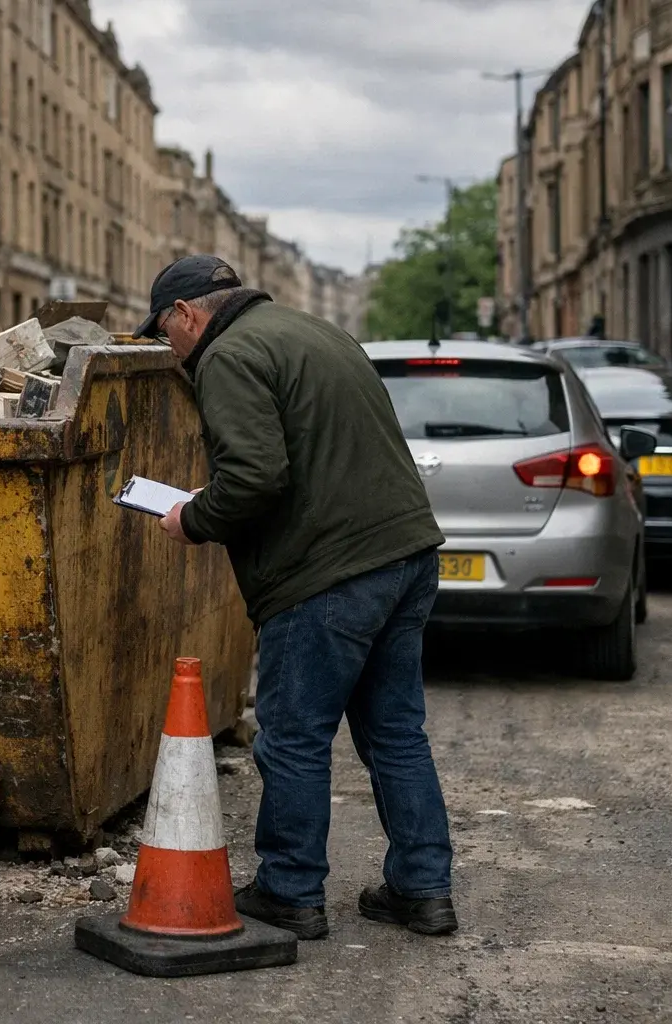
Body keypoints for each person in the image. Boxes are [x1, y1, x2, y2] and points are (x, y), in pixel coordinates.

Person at [132, 254, 458, 940]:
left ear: (187, 314)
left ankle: (289, 891)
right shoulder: (319, 332)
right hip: (405, 555)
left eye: (167, 334)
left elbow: (255, 477)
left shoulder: (226, 357)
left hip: (327, 576)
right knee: (397, 734)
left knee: (295, 739)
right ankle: (423, 890)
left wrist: (191, 518)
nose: (172, 351)